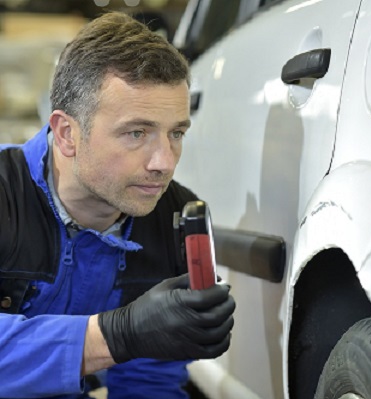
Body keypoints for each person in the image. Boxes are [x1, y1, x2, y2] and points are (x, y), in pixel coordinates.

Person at [0, 11, 235, 399]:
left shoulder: (173, 218)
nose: (164, 161)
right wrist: (121, 333)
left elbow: (149, 384)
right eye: (136, 133)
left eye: (176, 132)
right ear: (67, 133)